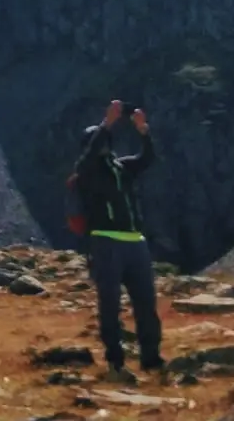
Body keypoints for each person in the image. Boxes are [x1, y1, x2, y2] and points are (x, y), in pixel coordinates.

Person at [67, 99, 162, 378]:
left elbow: (148, 159)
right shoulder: (86, 171)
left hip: (135, 241)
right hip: (105, 241)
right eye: (102, 141)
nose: (106, 146)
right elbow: (89, 155)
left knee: (145, 301)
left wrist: (144, 133)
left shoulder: (121, 168)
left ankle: (151, 357)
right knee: (110, 303)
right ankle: (115, 359)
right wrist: (106, 124)